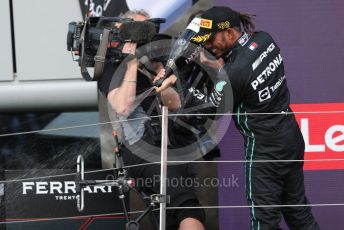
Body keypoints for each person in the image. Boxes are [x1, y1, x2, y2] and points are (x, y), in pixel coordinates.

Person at [155, 6, 320, 230]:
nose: (207, 45)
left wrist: (179, 83)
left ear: (230, 33)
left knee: (264, 222)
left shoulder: (235, 72)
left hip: (265, 150)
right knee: (298, 213)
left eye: (211, 40)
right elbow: (235, 69)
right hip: (290, 137)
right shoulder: (264, 39)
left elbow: (206, 108)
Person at [97, 9, 205, 230]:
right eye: (136, 31)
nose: (143, 37)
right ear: (122, 32)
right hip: (143, 147)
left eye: (147, 31)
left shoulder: (159, 61)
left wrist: (160, 76)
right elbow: (123, 106)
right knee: (187, 207)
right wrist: (132, 63)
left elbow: (174, 103)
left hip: (172, 144)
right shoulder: (111, 68)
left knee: (165, 215)